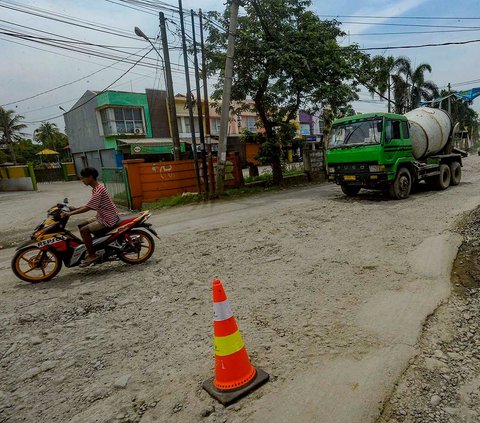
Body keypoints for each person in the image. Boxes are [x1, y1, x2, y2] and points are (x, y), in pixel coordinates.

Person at [61, 167, 119, 267]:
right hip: (102, 216)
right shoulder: (97, 188)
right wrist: (74, 209)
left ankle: (92, 255)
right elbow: (91, 205)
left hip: (107, 218)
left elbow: (88, 207)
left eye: (84, 178)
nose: (82, 180)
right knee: (81, 225)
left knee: (84, 230)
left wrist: (70, 214)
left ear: (91, 177)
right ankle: (90, 246)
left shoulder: (98, 191)